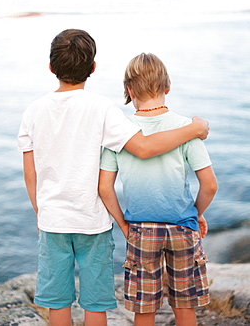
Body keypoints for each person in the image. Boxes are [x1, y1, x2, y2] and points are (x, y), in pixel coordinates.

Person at [18, 30, 209, 326]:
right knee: (96, 304)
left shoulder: (32, 111)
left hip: (52, 221)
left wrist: (40, 212)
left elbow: (30, 173)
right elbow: (144, 147)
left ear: (51, 67)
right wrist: (195, 130)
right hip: (93, 223)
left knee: (57, 303)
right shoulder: (102, 108)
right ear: (93, 68)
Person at [99, 53, 217, 326]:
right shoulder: (188, 130)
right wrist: (194, 214)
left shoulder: (120, 132)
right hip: (182, 229)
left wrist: (124, 226)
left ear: (129, 90)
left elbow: (105, 188)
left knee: (144, 309)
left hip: (141, 230)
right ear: (168, 86)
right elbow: (209, 184)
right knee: (185, 307)